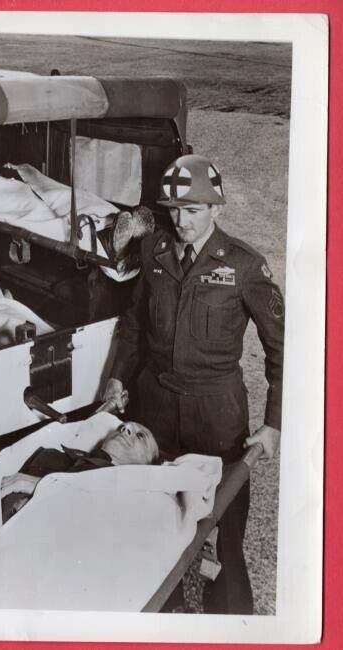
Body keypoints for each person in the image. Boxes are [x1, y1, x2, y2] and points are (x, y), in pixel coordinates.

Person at [102, 153, 284, 615]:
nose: (182, 221)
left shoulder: (245, 266)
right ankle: (162, 621)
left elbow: (282, 348)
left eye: (193, 210)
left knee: (224, 535)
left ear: (216, 208)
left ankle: (232, 624)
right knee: (151, 522)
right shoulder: (155, 252)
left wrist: (274, 423)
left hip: (215, 418)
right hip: (155, 412)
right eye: (175, 210)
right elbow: (134, 325)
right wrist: (118, 377)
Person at [0, 421, 159, 523]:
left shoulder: (127, 494)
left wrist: (42, 487)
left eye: (140, 436)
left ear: (147, 465)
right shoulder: (54, 455)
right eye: (121, 427)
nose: (125, 428)